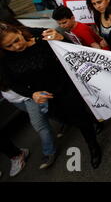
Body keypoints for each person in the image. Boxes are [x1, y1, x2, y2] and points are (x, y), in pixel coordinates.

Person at [0, 23, 102, 169]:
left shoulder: (43, 40)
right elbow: (12, 83)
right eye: (9, 46)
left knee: (80, 118)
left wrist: (61, 38)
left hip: (65, 86)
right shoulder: (6, 59)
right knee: (66, 119)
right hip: (46, 98)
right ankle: (93, 120)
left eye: (16, 40)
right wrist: (32, 94)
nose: (16, 47)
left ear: (19, 32)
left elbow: (72, 51)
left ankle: (93, 146)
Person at [1, 88, 56, 170]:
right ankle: (64, 122)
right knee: (43, 114)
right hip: (15, 100)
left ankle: (49, 152)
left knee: (39, 125)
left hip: (28, 95)